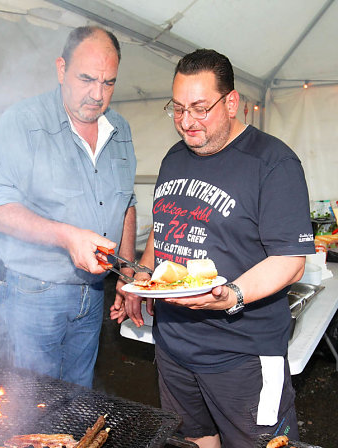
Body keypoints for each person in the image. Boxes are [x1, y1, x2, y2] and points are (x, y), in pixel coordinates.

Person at [112, 49, 315, 448]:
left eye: (200, 108)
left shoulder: (273, 164)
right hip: (173, 348)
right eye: (178, 108)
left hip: (242, 356)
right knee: (195, 439)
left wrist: (233, 296)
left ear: (232, 102)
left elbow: (290, 261)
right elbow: (167, 224)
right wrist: (140, 275)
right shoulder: (175, 157)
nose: (186, 122)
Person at [0, 26, 136, 388]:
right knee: (35, 404)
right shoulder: (23, 121)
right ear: (61, 69)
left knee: (79, 396)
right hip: (35, 293)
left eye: (108, 83)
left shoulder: (121, 128)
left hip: (93, 291)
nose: (97, 95)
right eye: (86, 79)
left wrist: (128, 274)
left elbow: (126, 202)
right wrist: (67, 237)